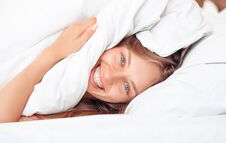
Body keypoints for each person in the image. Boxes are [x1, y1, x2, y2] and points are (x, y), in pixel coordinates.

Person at [0, 18, 189, 123]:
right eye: (122, 59)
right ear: (115, 43)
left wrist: (51, 55)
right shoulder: (70, 42)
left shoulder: (84, 120)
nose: (109, 75)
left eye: (126, 86)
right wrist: (55, 52)